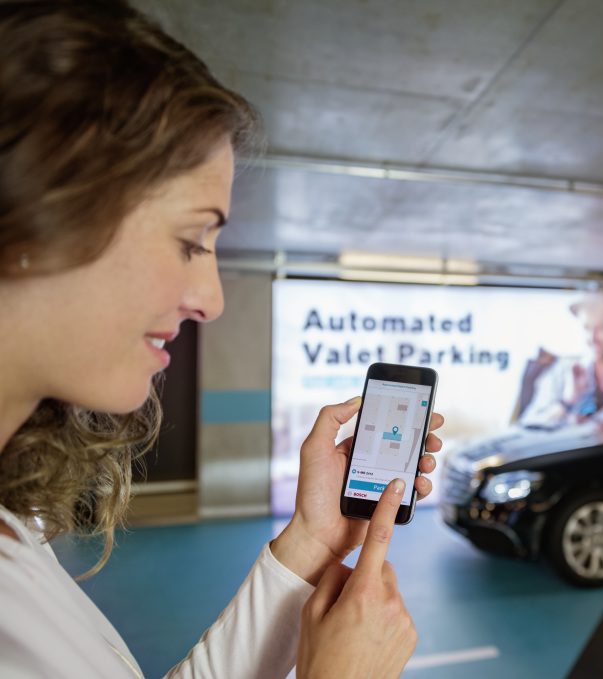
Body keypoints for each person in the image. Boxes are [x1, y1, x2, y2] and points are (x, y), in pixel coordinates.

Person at [0, 2, 442, 677]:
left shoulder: (14, 523)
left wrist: (312, 540)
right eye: (190, 240)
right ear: (34, 213)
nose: (210, 300)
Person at [517, 291, 603, 427]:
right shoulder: (562, 371)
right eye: (586, 328)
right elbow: (529, 422)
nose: (592, 338)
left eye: (600, 328)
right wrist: (567, 402)